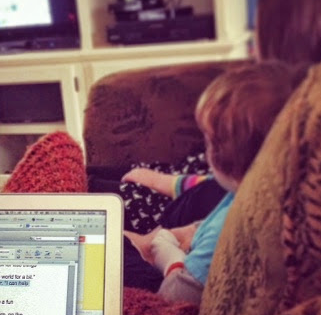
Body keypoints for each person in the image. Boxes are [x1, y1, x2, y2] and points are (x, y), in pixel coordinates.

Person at [118, 0, 321, 235]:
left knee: (117, 192)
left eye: (258, 33)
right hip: (198, 184)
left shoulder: (284, 110)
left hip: (188, 207)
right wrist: (165, 180)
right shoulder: (302, 94)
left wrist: (166, 189)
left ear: (282, 39)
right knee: (116, 177)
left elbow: (232, 185)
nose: (253, 48)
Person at [124, 61, 306, 302]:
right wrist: (192, 230)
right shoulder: (251, 195)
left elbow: (175, 296)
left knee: (118, 253)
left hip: (172, 287)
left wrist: (169, 258)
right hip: (178, 243)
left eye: (209, 141)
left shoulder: (232, 226)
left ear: (224, 158)